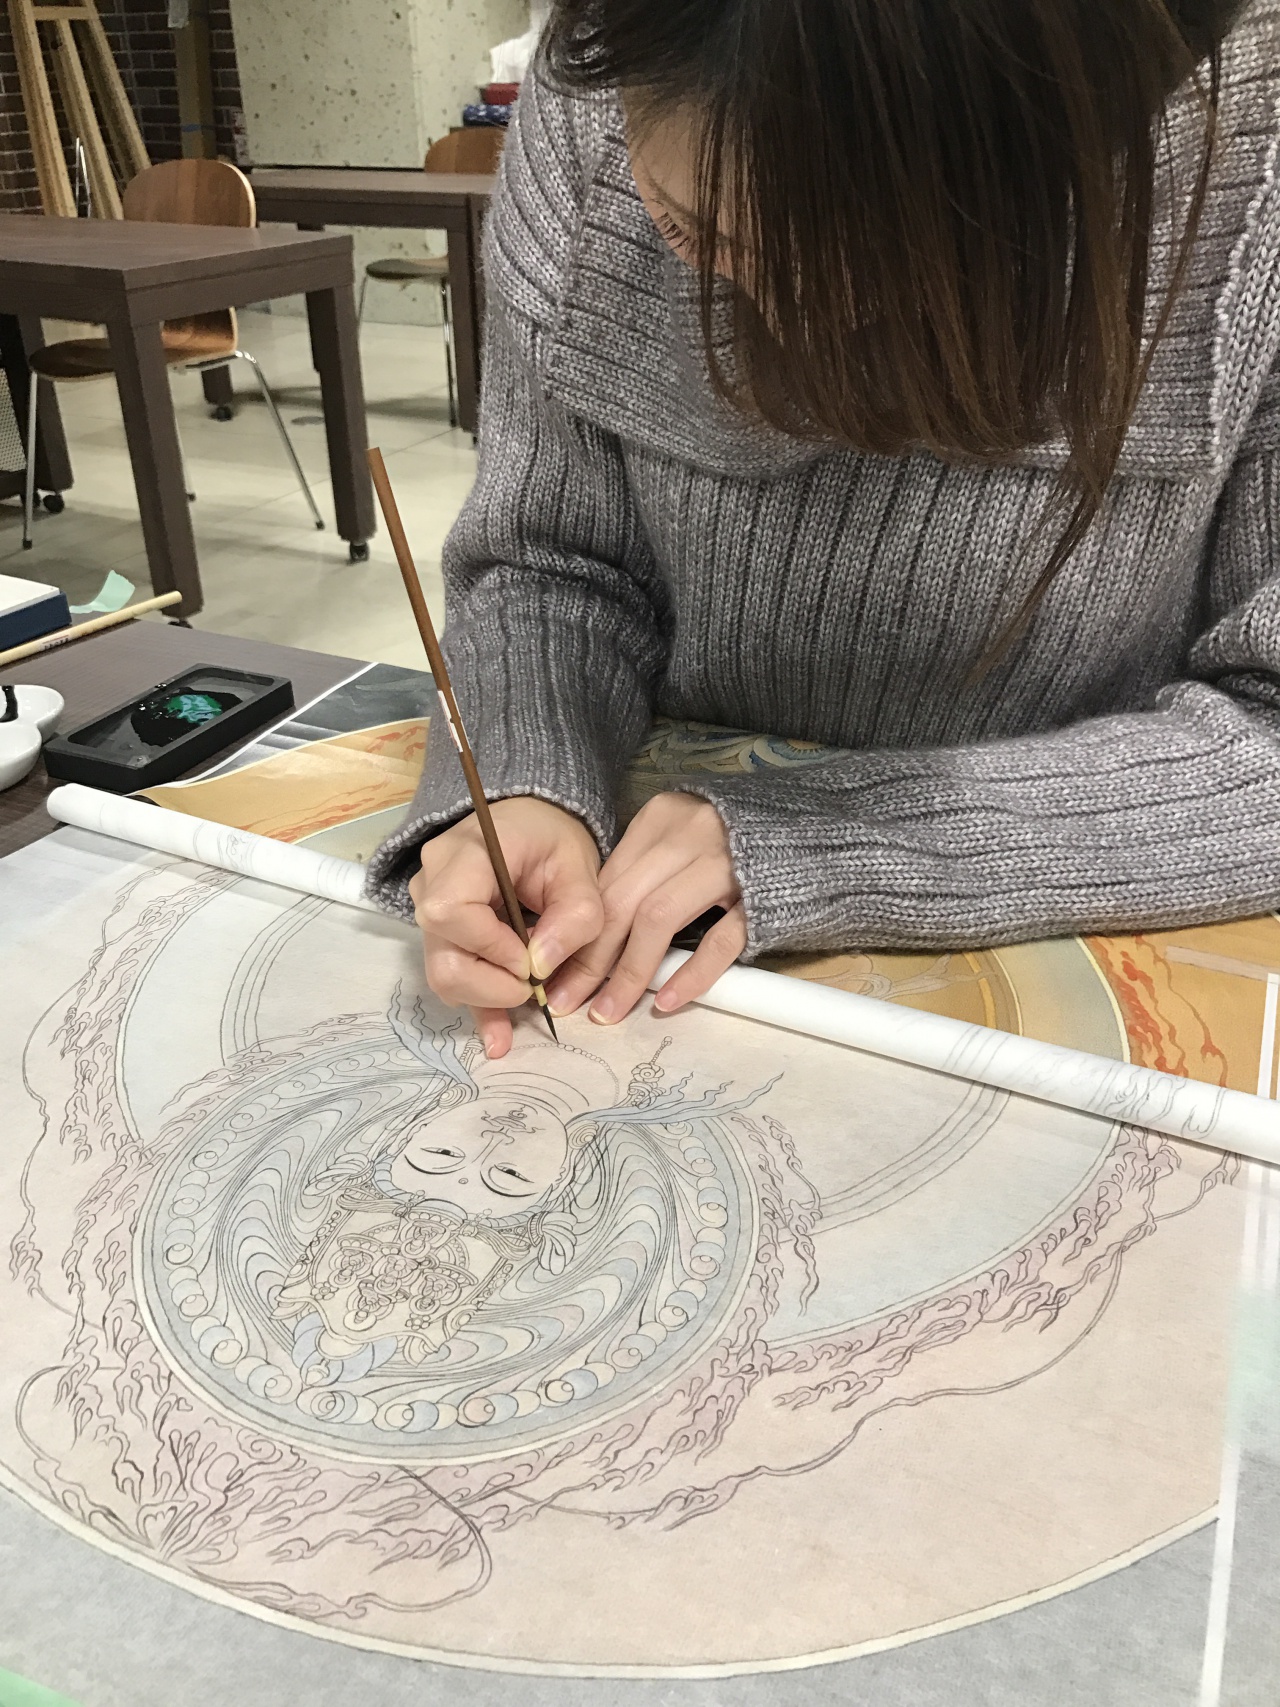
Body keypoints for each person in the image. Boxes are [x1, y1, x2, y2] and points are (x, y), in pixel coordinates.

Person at [367, 0, 1280, 1060]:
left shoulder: (1247, 158)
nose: (803, 325)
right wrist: (526, 775)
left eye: (909, 265)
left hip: (1092, 914)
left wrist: (845, 843)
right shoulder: (594, 88)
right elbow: (549, 562)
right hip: (661, 905)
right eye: (693, 233)